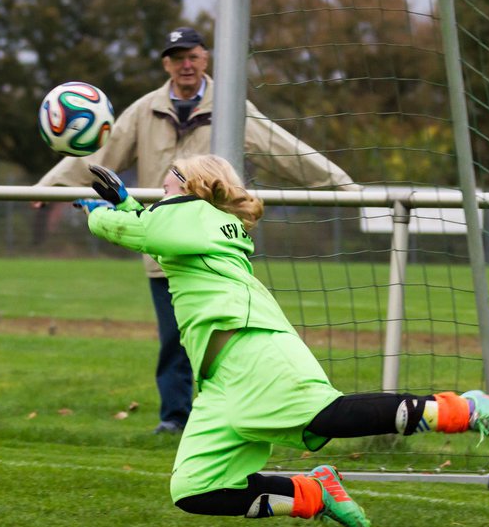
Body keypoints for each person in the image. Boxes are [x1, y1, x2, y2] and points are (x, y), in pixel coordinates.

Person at [75, 155, 489, 527]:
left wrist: (100, 214)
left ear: (192, 185)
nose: (161, 184)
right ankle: (314, 492)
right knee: (195, 489)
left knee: (327, 418)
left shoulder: (192, 215)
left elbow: (149, 233)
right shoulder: (192, 220)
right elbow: (155, 230)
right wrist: (126, 203)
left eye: (169, 175)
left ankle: (463, 409)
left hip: (252, 348)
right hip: (221, 378)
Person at [36, 27, 358, 435]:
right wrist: (49, 187)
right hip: (163, 241)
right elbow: (101, 151)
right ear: (166, 64)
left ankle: (228, 414)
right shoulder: (146, 109)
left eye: (192, 56)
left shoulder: (228, 107)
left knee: (224, 339)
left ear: (205, 59)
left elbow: (283, 148)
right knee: (175, 339)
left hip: (212, 247)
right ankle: (175, 418)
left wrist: (343, 185)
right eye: (176, 58)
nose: (185, 64)